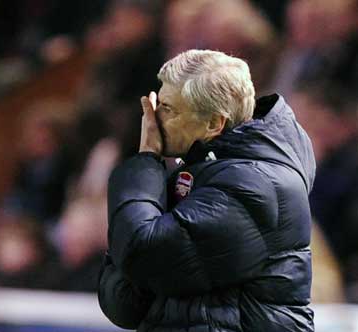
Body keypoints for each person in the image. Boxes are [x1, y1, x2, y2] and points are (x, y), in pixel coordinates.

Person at [98, 50, 315, 331]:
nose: (152, 119)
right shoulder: (197, 174)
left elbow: (141, 256)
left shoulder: (253, 185)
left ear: (214, 123)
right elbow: (125, 304)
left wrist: (146, 159)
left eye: (168, 109)